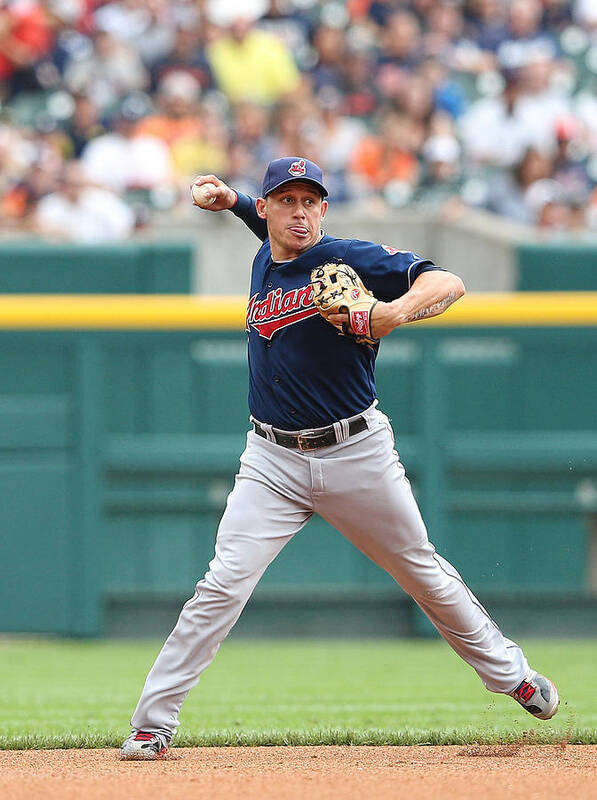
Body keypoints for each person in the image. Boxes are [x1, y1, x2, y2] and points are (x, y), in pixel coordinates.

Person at [120, 156, 559, 760]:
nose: (299, 213)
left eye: (310, 202)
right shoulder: (267, 249)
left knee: (421, 571)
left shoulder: (347, 259)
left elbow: (447, 281)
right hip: (270, 458)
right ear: (269, 208)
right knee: (220, 586)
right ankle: (153, 723)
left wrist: (390, 312)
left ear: (325, 210)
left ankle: (513, 675)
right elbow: (264, 226)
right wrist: (231, 202)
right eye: (286, 201)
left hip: (356, 451)